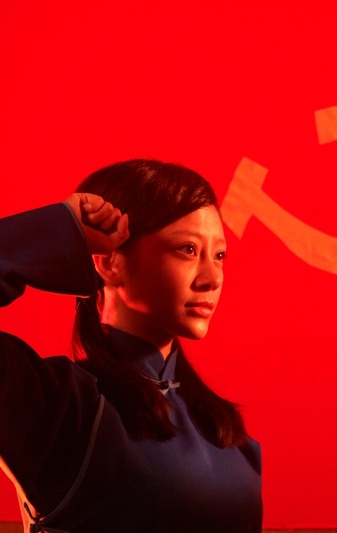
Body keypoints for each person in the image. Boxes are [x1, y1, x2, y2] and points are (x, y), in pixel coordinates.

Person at [0, 159, 262, 532]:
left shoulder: (229, 436)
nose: (212, 278)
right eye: (187, 249)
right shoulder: (61, 407)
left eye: (219, 255)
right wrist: (60, 229)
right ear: (109, 262)